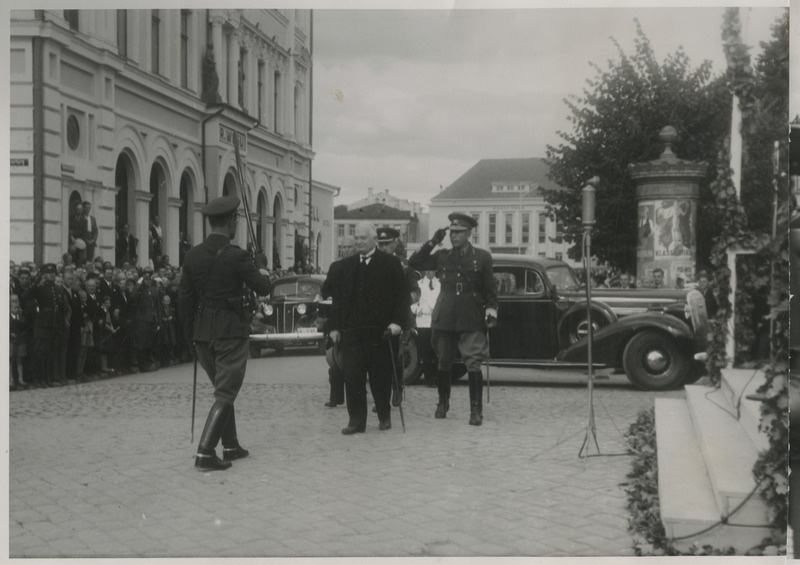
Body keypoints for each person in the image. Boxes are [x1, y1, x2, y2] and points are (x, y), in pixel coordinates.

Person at [178, 194, 272, 471]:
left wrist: (189, 337)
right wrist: (262, 266)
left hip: (202, 334)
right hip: (229, 331)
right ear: (231, 221)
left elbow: (184, 301)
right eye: (235, 220)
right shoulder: (238, 256)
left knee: (223, 389)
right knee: (226, 392)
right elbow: (264, 288)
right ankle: (205, 452)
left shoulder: (192, 255)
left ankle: (230, 444)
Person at [408, 212, 498, 426]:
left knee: (473, 362)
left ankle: (476, 411)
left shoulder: (482, 257)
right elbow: (414, 262)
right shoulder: (442, 256)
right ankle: (442, 402)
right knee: (443, 360)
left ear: (468, 233)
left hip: (471, 313)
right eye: (452, 232)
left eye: (459, 232)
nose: (454, 236)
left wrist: (492, 309)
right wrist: (433, 241)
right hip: (446, 312)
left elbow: (490, 290)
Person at [326, 222, 410, 435]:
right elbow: (338, 300)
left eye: (363, 238)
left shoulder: (390, 264)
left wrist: (397, 323)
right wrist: (334, 327)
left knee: (380, 376)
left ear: (373, 240)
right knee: (352, 377)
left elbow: (401, 297)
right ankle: (356, 421)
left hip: (379, 331)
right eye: (357, 239)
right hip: (352, 331)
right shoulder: (346, 266)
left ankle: (384, 415)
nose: (359, 242)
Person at [376, 226, 420, 407]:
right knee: (380, 359)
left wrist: (404, 302)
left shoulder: (404, 266)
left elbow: (416, 291)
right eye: (381, 244)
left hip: (402, 320)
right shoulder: (374, 265)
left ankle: (397, 388)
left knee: (398, 357)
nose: (384, 247)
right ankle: (382, 395)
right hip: (380, 319)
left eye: (387, 244)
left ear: (395, 243)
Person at [320, 235, 355, 408]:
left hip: (355, 318)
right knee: (335, 358)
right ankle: (336, 397)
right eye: (343, 247)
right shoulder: (335, 267)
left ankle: (357, 394)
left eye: (349, 247)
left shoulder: (359, 266)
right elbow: (325, 289)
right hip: (338, 317)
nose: (346, 250)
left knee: (354, 360)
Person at [29, 263, 72, 387]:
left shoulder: (58, 289)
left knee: (50, 353)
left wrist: (61, 324)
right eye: (48, 273)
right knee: (41, 353)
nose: (51, 275)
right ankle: (40, 379)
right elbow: (27, 296)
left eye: (53, 273)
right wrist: (36, 281)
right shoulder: (39, 288)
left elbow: (62, 308)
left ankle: (49, 379)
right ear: (44, 275)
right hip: (43, 324)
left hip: (54, 324)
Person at [412, 270, 441, 387]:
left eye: (432, 269)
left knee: (437, 351)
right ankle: (429, 379)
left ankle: (438, 378)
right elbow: (412, 303)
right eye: (427, 270)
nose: (429, 272)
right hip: (423, 320)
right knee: (425, 351)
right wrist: (418, 310)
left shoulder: (440, 284)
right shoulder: (418, 284)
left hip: (437, 321)